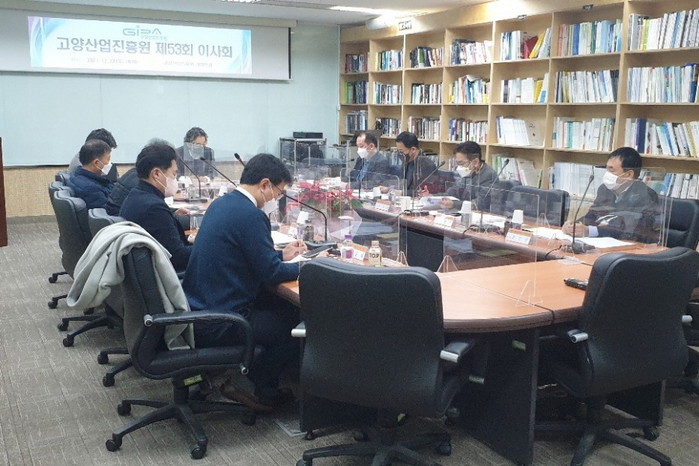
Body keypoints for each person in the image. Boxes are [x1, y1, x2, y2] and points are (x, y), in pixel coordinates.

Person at [183, 153, 307, 412]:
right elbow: (271, 274)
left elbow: (245, 256)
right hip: (223, 319)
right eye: (279, 192)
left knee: (280, 306)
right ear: (265, 184)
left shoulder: (222, 204)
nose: (277, 199)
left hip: (200, 307)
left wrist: (280, 255)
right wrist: (307, 267)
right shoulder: (251, 215)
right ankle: (264, 391)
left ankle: (256, 376)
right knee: (296, 323)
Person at [119, 141, 193, 273]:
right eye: (174, 174)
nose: (175, 179)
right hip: (171, 276)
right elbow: (179, 258)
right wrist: (205, 243)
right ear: (157, 174)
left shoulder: (137, 194)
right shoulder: (154, 208)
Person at [562, 147, 660, 242]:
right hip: (601, 243)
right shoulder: (604, 189)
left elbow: (631, 230)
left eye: (611, 170)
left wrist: (590, 231)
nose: (607, 174)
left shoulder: (646, 195)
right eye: (607, 169)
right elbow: (592, 215)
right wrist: (574, 225)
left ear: (629, 174)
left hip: (630, 247)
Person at [440, 141, 497, 211]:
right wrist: (434, 197)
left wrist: (454, 204)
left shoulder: (489, 175)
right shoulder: (467, 172)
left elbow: (480, 204)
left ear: (475, 162)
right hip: (461, 211)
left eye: (461, 163)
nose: (458, 167)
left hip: (480, 214)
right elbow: (453, 191)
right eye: (457, 163)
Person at [66, 139, 114, 209]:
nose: (110, 163)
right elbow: (109, 212)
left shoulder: (76, 176)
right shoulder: (93, 190)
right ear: (97, 163)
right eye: (108, 159)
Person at [395, 131, 438, 197]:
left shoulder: (427, 165)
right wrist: (390, 189)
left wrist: (402, 193)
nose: (399, 154)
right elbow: (402, 183)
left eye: (401, 151)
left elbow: (423, 191)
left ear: (413, 149)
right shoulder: (407, 160)